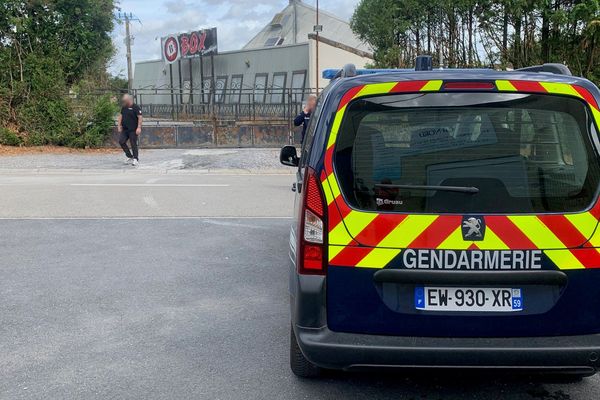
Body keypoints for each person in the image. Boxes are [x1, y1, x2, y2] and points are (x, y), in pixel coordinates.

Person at [117, 94, 143, 166]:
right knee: (121, 141)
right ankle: (129, 156)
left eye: (125, 100)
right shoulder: (124, 107)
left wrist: (139, 127)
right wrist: (119, 125)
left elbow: (140, 117)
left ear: (129, 100)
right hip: (125, 129)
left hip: (133, 129)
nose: (124, 102)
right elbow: (120, 116)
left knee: (133, 143)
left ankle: (135, 159)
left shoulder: (136, 107)